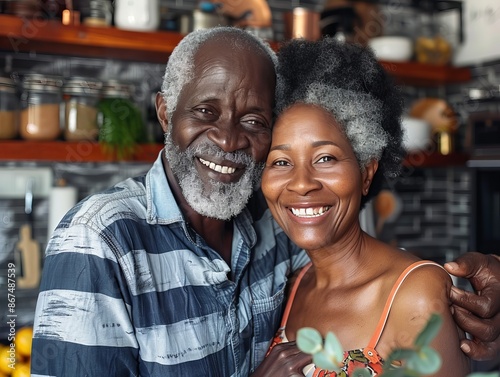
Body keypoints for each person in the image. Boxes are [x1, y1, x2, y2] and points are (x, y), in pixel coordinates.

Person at [31, 27, 499, 377]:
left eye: (253, 120)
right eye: (205, 111)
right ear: (165, 111)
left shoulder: (277, 237)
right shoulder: (100, 240)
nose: (228, 140)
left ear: (367, 167)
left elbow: (363, 275)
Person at [253, 37, 471, 377]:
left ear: (366, 172)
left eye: (325, 157)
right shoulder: (290, 286)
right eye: (280, 162)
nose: (301, 183)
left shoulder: (415, 293)